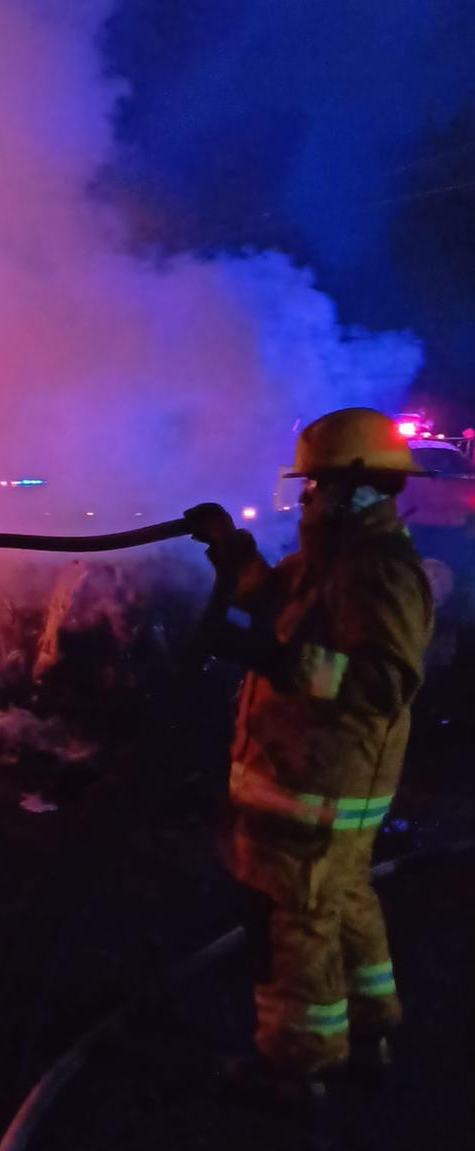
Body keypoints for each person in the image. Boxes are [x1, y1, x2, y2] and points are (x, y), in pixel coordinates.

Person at [185, 407, 433, 1096]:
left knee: (297, 922)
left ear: (354, 486)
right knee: (342, 900)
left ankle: (296, 1068)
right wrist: (230, 550)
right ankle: (370, 1032)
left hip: (324, 783)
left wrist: (276, 658)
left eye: (315, 485)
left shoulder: (379, 572)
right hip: (311, 779)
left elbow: (383, 682)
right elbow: (271, 596)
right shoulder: (331, 561)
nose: (306, 498)